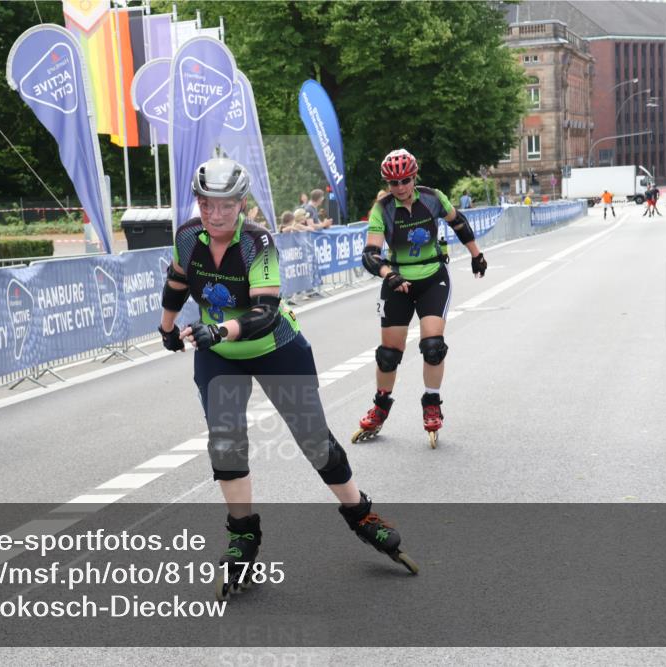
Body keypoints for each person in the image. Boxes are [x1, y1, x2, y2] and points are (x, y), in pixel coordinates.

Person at [158, 156, 418, 599]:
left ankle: (361, 514)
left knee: (314, 441)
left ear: (242, 204)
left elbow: (264, 312)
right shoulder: (187, 235)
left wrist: (218, 330)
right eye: (206, 204)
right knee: (225, 443)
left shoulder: (257, 242)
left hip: (275, 347)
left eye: (225, 205)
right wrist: (167, 326)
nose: (215, 214)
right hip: (220, 355)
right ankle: (243, 534)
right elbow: (178, 280)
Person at [353, 148, 486, 448]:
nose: (400, 187)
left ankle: (432, 403)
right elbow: (370, 254)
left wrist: (476, 255)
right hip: (397, 281)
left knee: (433, 346)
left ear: (414, 177)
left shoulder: (432, 197)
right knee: (388, 355)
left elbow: (459, 222)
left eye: (405, 180)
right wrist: (389, 275)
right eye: (393, 182)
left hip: (432, 278)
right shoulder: (382, 209)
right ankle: (380, 406)